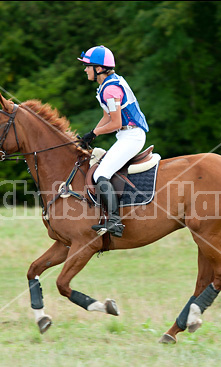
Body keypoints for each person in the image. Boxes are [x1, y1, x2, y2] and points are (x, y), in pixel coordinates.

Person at [77, 45, 149, 237]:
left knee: (101, 174)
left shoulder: (110, 89)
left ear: (99, 68)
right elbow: (106, 118)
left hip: (132, 135)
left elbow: (115, 122)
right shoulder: (106, 85)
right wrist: (89, 134)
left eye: (87, 66)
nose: (85, 69)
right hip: (127, 135)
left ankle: (115, 222)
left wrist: (94, 133)